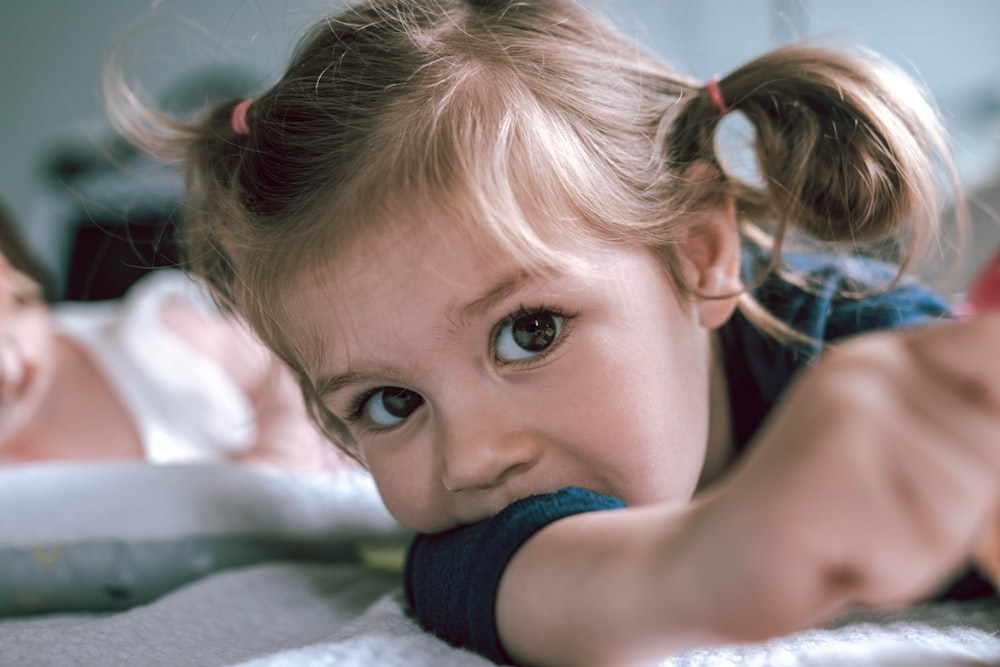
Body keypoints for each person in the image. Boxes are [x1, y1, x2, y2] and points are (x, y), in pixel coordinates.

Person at [105, 0, 1000, 665]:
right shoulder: (470, 534)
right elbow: (576, 590)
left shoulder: (868, 361)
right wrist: (725, 550)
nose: (474, 456)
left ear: (701, 252)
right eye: (390, 402)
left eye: (529, 332)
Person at [0, 203, 345, 469]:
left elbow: (287, 373)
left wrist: (272, 470)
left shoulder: (156, 339)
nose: (8, 372)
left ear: (12, 282)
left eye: (9, 337)